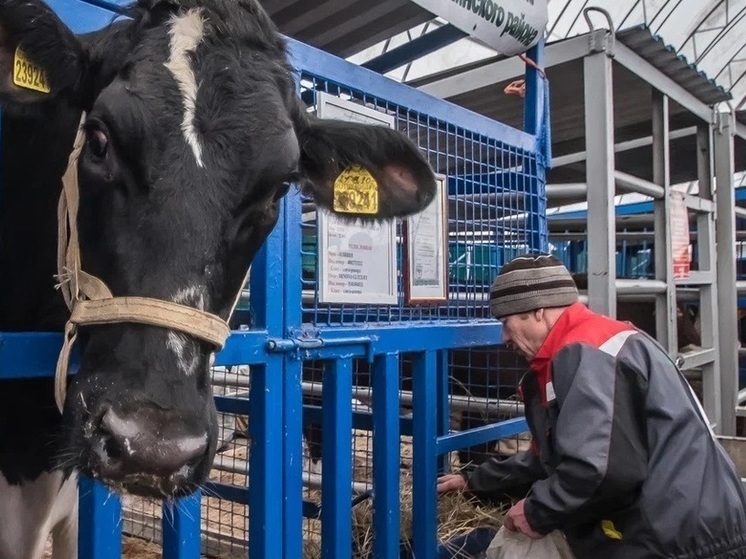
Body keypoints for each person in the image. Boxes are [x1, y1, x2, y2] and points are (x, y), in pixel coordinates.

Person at [437, 253, 746, 559]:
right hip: (685, 523)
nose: (504, 336)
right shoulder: (589, 344)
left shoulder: (585, 353)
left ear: (539, 311)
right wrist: (476, 482)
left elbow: (598, 469)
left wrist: (536, 512)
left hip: (681, 540)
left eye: (507, 321)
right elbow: (555, 457)